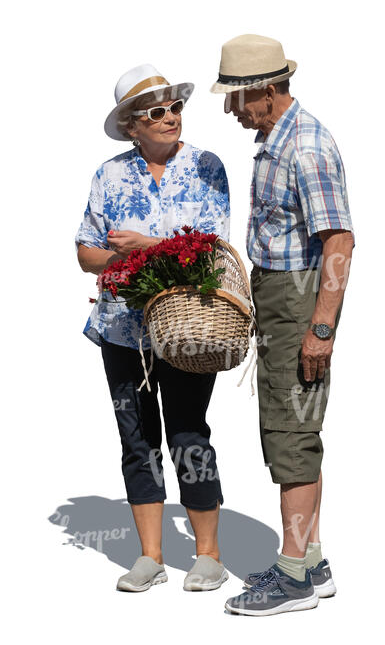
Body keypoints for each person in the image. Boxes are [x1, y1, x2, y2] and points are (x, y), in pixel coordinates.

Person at [210, 34, 355, 616]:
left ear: (265, 91)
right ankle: (312, 561)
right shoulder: (278, 136)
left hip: (298, 300)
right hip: (279, 295)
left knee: (292, 434)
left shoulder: (307, 147)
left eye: (238, 100)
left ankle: (292, 575)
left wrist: (321, 328)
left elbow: (339, 239)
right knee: (289, 427)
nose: (233, 112)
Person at [75, 63, 231, 593]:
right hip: (122, 328)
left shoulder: (207, 166)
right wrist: (111, 260)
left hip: (186, 327)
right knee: (137, 438)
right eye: (156, 112)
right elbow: (85, 250)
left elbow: (212, 247)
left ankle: (207, 555)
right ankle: (150, 557)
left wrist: (147, 248)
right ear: (131, 125)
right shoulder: (109, 174)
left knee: (189, 432)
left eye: (175, 108)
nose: (171, 118)